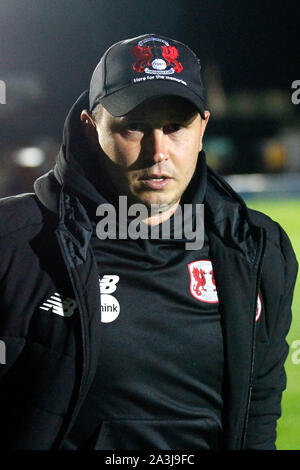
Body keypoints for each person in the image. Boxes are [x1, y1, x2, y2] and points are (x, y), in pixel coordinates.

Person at [0, 34, 298, 451]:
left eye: (176, 126)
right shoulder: (14, 244)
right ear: (90, 128)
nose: (158, 151)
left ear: (203, 129)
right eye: (133, 126)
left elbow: (259, 408)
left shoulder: (258, 248)